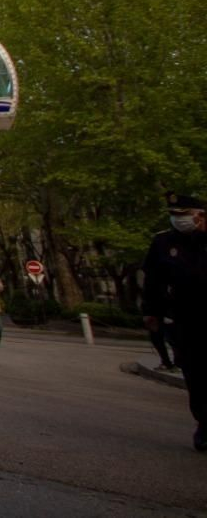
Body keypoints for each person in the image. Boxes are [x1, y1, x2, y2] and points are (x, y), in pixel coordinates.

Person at [141, 191, 207, 453]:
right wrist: (151, 312)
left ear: (200, 215)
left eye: (183, 215)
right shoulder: (162, 243)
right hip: (185, 317)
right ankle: (204, 422)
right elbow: (153, 282)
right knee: (195, 373)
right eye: (174, 215)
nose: (178, 219)